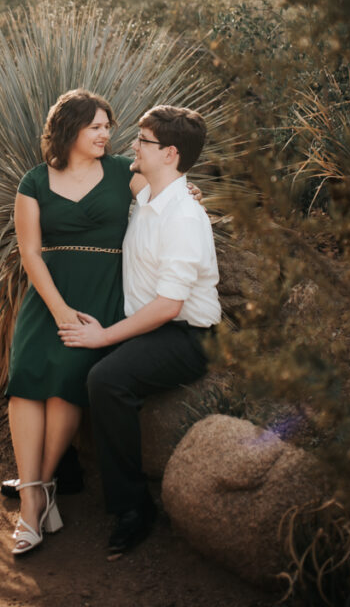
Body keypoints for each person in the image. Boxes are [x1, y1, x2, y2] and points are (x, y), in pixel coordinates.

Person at [59, 104, 221, 560]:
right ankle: (61, 469)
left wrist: (106, 337)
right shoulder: (147, 197)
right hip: (149, 325)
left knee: (106, 379)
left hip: (186, 336)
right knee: (66, 353)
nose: (131, 143)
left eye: (142, 140)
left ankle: (134, 509)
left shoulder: (184, 218)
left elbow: (170, 305)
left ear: (169, 153)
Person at [5, 89, 135, 554]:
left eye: (107, 127)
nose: (105, 134)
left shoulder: (124, 172)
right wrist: (58, 309)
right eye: (96, 126)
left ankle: (36, 494)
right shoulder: (34, 181)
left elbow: (167, 194)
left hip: (101, 295)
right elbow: (29, 252)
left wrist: (190, 191)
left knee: (66, 380)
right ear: (70, 130)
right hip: (48, 296)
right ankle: (33, 498)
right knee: (27, 382)